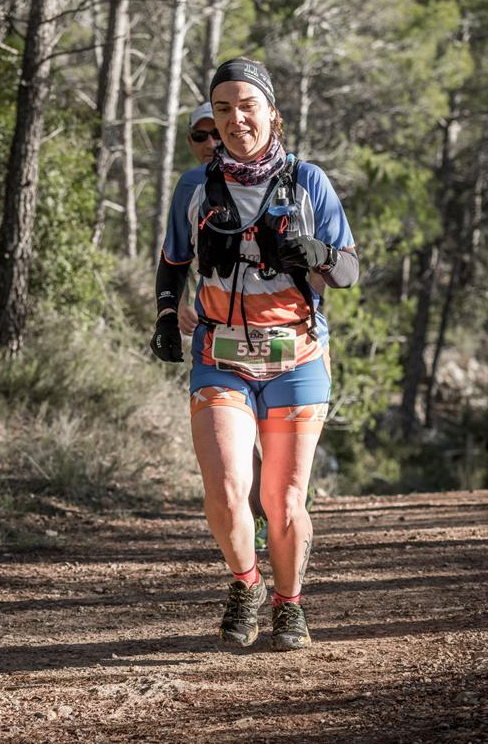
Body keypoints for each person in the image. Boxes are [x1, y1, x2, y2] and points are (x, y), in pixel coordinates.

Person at [150, 57, 358, 651]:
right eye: (222, 109)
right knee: (225, 490)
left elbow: (347, 269)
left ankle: (288, 604)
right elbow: (173, 261)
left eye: (247, 106)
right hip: (221, 355)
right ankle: (246, 584)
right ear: (212, 120)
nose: (236, 119)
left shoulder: (308, 182)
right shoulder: (195, 187)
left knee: (283, 501)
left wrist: (311, 248)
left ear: (273, 114)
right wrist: (167, 316)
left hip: (297, 357)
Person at [176, 103, 273, 553]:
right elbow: (175, 258)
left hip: (283, 341)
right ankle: (251, 536)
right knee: (235, 450)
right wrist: (172, 305)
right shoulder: (192, 186)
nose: (212, 142)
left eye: (218, 133)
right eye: (200, 136)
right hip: (218, 340)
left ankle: (281, 510)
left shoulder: (278, 176)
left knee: (272, 453)